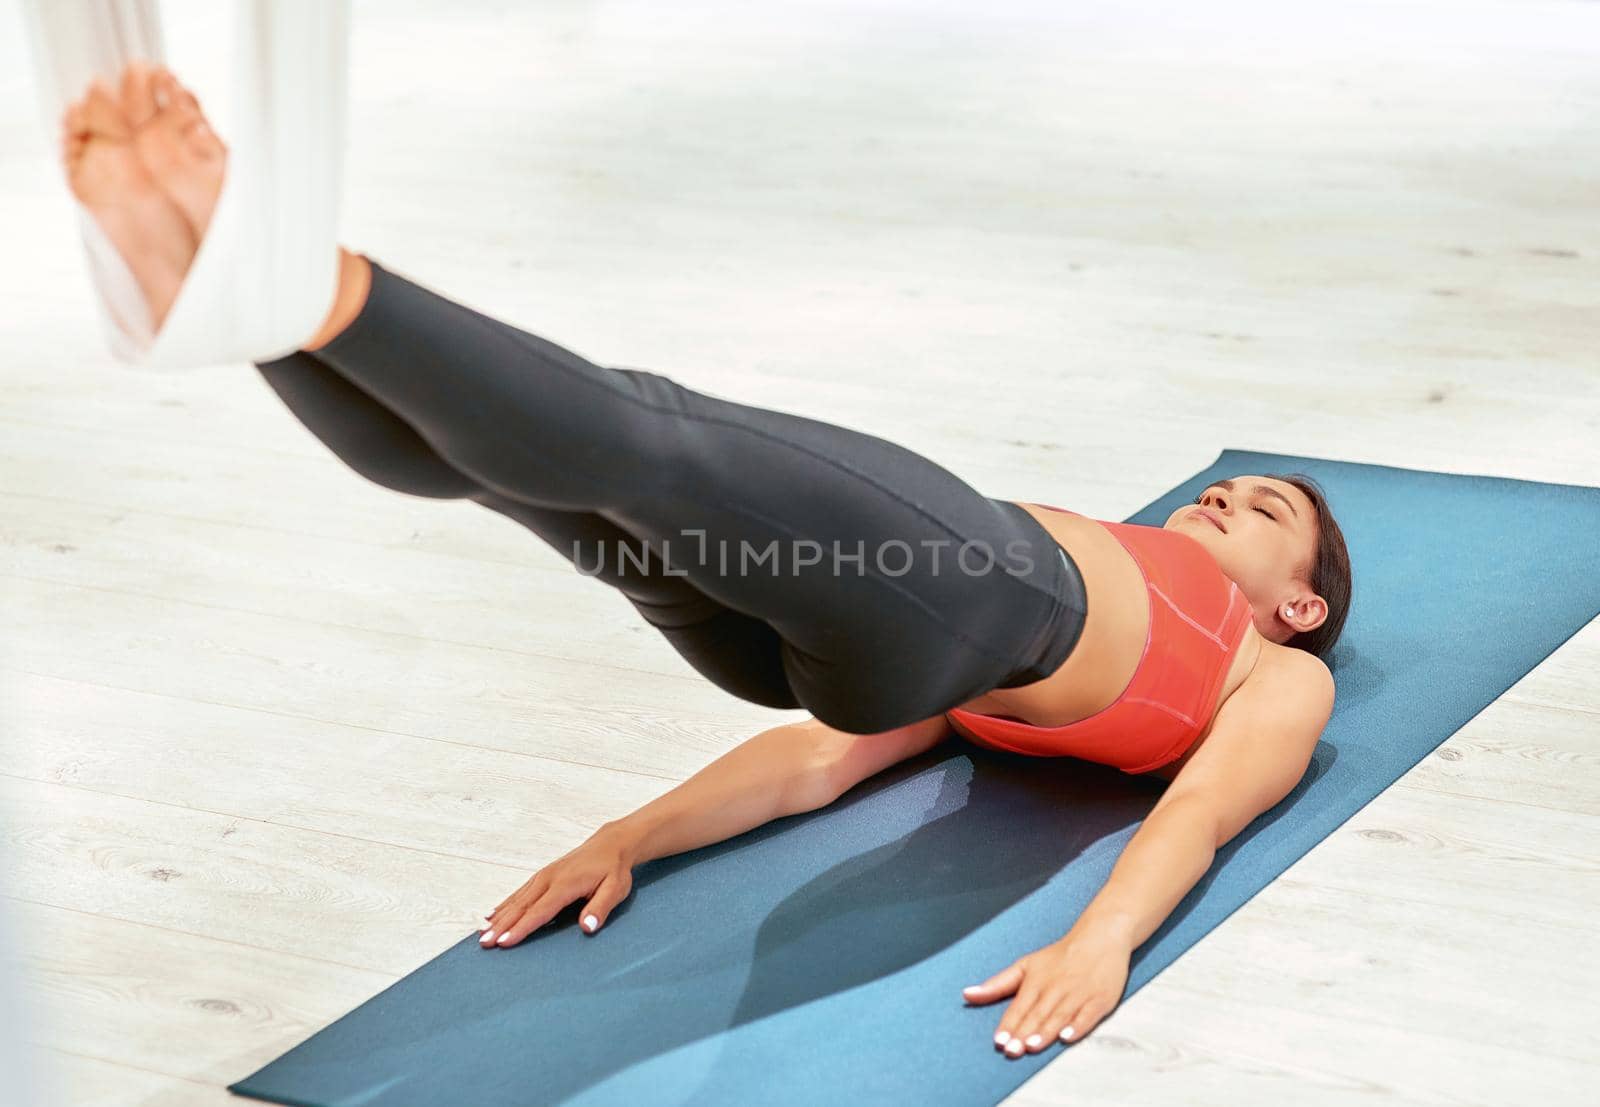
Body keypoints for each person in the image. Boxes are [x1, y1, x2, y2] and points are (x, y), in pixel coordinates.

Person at [56, 63, 1351, 1058]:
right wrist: (632, 834)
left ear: (1302, 600)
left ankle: (276, 261)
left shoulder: (1272, 675)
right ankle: (240, 302)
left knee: (652, 440)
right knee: (509, 474)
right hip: (837, 658)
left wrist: (1103, 940)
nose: (1232, 494)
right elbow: (825, 754)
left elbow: (1205, 809)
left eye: (1270, 509)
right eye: (1230, 487)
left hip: (985, 598)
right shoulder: (1131, 560)